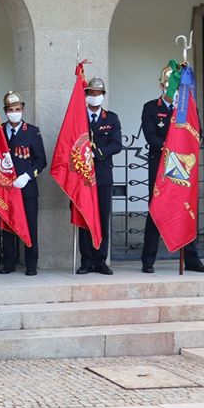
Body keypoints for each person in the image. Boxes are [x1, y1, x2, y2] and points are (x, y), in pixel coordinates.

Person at [140, 66, 204, 273]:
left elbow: (198, 135)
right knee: (156, 209)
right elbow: (151, 137)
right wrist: (172, 148)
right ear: (162, 86)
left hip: (182, 168)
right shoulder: (151, 107)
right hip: (161, 166)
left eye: (177, 86)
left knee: (185, 209)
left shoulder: (188, 110)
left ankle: (192, 259)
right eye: (170, 86)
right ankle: (148, 260)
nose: (174, 90)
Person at [0, 90, 46, 276]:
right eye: (11, 109)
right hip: (5, 188)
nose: (14, 112)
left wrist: (27, 176)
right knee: (7, 226)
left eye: (17, 109)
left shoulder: (32, 132)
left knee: (30, 226)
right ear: (5, 111)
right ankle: (9, 263)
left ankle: (31, 264)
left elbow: (41, 160)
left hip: (27, 188)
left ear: (23, 109)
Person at [77, 78, 121, 276]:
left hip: (102, 175)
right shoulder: (77, 118)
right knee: (85, 218)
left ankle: (101, 260)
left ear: (103, 95)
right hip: (83, 177)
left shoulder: (111, 118)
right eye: (91, 94)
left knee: (103, 219)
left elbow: (116, 145)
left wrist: (97, 153)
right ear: (86, 95)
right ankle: (86, 261)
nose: (94, 97)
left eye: (98, 94)